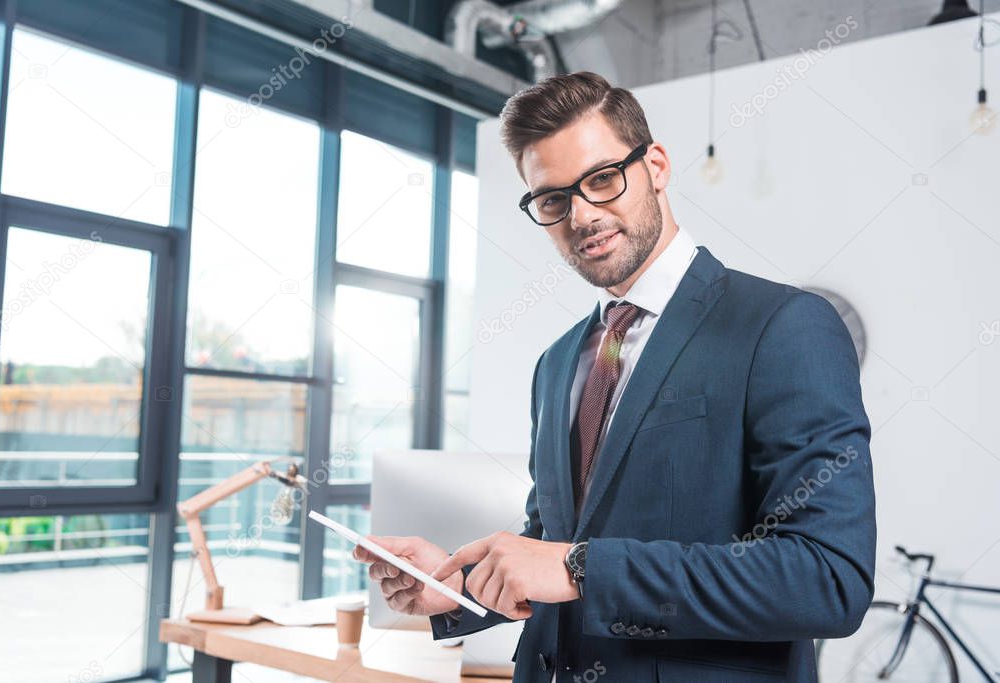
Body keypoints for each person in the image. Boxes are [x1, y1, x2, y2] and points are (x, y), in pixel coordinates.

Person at [352, 71, 875, 682]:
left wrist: (580, 568)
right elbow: (552, 541)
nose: (583, 215)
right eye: (552, 200)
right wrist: (459, 586)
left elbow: (826, 579)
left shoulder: (782, 327)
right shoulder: (556, 363)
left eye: (603, 179)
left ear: (655, 165)